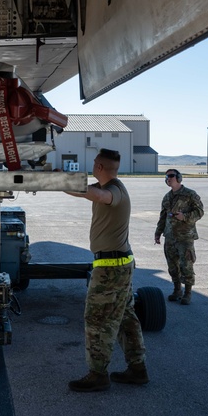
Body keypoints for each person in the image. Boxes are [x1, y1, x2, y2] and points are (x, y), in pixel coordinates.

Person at [64, 148, 147, 392]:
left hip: (111, 269)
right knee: (125, 319)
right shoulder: (106, 187)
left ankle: (98, 374)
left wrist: (65, 181)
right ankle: (138, 369)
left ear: (100, 167)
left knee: (98, 319)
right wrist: (59, 182)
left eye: (94, 164)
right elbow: (84, 193)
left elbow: (98, 196)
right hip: (119, 265)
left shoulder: (115, 191)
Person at [155, 170, 204, 305]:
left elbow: (200, 211)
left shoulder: (189, 194)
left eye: (170, 176)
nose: (168, 179)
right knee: (172, 266)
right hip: (170, 236)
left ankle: (187, 293)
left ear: (178, 178)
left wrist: (185, 217)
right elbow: (163, 216)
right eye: (166, 177)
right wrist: (158, 233)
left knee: (186, 265)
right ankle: (177, 290)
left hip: (185, 237)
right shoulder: (167, 197)